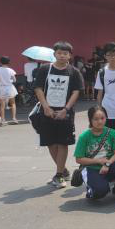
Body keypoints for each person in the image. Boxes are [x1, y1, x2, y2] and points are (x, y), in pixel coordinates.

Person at [34, 41, 84, 188]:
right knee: (50, 143)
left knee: (62, 142)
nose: (62, 55)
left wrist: (66, 110)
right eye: (59, 53)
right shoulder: (45, 69)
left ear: (70, 55)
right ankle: (63, 170)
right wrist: (46, 107)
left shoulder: (74, 71)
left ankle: (59, 175)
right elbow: (38, 88)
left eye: (65, 53)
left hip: (65, 113)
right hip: (46, 112)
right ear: (54, 54)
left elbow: (76, 91)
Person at [73, 105, 115, 201]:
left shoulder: (112, 133)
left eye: (102, 118)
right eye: (96, 119)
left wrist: (107, 164)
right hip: (92, 168)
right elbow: (79, 159)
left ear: (106, 118)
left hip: (108, 165)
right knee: (100, 192)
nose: (100, 121)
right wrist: (98, 161)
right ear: (90, 120)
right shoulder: (84, 136)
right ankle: (91, 189)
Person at [0, 56, 17, 125]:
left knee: (2, 105)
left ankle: (3, 120)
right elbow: (14, 80)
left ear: (0, 62)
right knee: (13, 103)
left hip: (1, 88)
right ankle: (14, 118)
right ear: (8, 62)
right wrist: (9, 80)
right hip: (10, 88)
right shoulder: (11, 70)